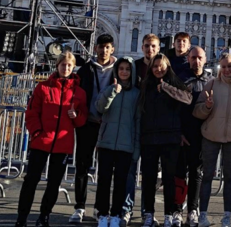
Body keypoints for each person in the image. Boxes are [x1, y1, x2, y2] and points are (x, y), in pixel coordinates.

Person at [16, 52, 88, 227]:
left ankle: (44, 216)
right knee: (31, 180)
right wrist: (36, 133)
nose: (66, 68)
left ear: (73, 68)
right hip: (42, 140)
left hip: (63, 144)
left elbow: (82, 120)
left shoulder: (79, 92)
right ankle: (22, 217)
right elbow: (32, 113)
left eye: (69, 65)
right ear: (57, 66)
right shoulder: (43, 88)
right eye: (63, 65)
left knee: (54, 183)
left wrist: (75, 116)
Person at [193, 53, 231, 227]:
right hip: (211, 136)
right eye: (223, 66)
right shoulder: (212, 84)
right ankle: (202, 214)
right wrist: (207, 106)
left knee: (229, 177)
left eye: (230, 66)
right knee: (207, 175)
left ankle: (227, 216)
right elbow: (197, 111)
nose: (226, 70)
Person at [138, 54, 192, 227]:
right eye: (155, 66)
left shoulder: (174, 83)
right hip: (149, 137)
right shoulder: (145, 85)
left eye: (161, 66)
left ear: (167, 67)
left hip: (170, 137)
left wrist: (167, 88)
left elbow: (187, 99)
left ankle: (169, 213)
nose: (158, 69)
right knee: (148, 178)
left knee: (169, 178)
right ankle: (149, 213)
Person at [71, 34, 117, 224]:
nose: (104, 51)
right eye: (101, 47)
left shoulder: (119, 70)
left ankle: (100, 208)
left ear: (112, 49)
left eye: (107, 47)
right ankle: (79, 207)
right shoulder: (85, 70)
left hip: (107, 125)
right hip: (87, 123)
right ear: (96, 48)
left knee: (105, 169)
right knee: (82, 166)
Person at [94, 57, 142, 227]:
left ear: (132, 72)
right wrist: (112, 92)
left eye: (127, 69)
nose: (124, 72)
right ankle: (102, 213)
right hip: (106, 142)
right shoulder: (109, 88)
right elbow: (100, 108)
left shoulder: (136, 94)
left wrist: (136, 149)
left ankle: (116, 214)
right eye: (121, 68)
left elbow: (137, 122)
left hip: (126, 145)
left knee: (120, 182)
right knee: (104, 181)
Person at [124, 33, 161, 225]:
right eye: (147, 46)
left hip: (151, 126)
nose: (150, 49)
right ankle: (126, 208)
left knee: (149, 172)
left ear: (158, 48)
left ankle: (148, 210)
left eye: (153, 46)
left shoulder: (162, 68)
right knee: (129, 168)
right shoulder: (134, 67)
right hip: (133, 123)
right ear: (142, 47)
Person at [177, 46, 214, 227]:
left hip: (202, 135)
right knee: (179, 173)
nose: (196, 61)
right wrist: (178, 132)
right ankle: (176, 209)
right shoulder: (180, 78)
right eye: (193, 58)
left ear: (205, 59)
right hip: (183, 133)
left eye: (199, 58)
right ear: (188, 58)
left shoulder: (211, 81)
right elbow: (173, 108)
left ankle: (192, 209)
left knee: (196, 173)